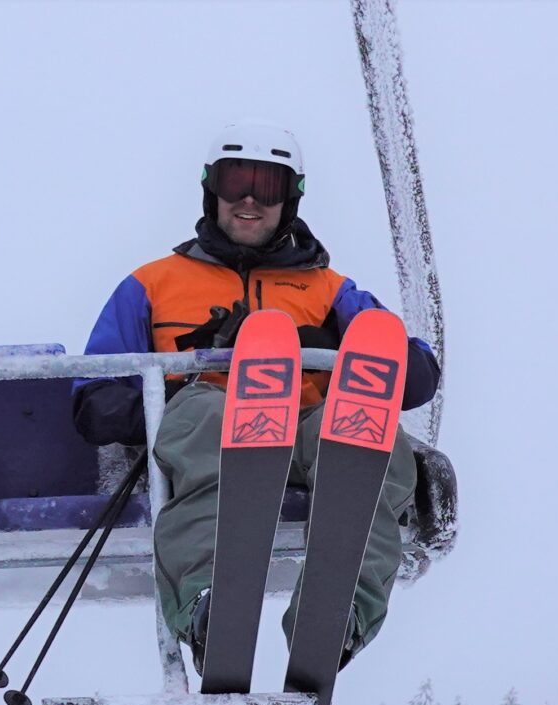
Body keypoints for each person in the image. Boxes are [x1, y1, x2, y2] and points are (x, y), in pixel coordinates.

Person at [73, 119, 440, 673]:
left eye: (267, 187)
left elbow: (412, 376)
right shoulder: (152, 284)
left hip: (308, 432)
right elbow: (94, 400)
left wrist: (333, 348)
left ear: (290, 198)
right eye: (234, 182)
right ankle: (207, 601)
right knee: (210, 417)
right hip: (209, 431)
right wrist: (175, 391)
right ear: (211, 189)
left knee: (374, 440)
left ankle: (338, 612)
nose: (249, 200)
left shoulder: (329, 290)